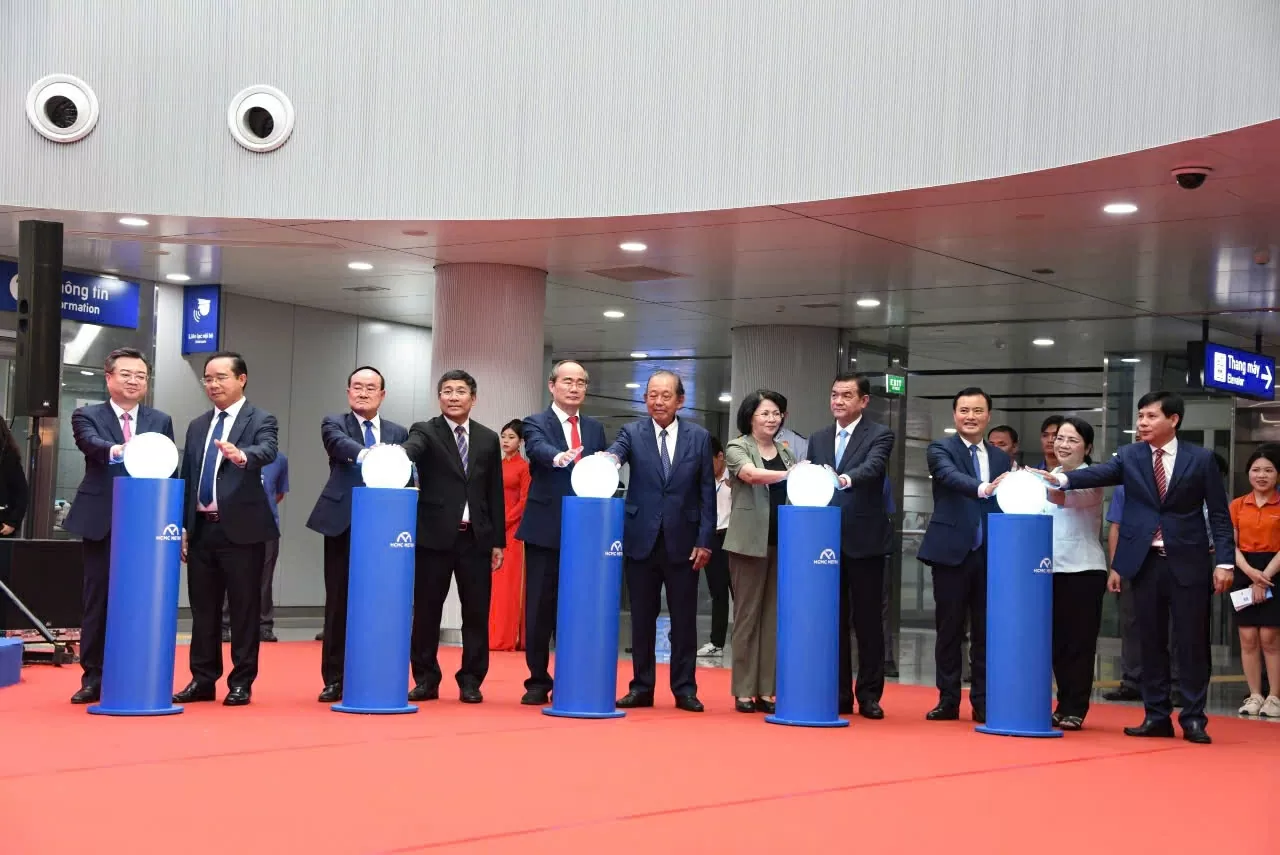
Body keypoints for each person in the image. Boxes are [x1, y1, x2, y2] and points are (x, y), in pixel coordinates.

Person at [1034, 391, 1233, 744]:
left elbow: (1218, 514)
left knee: (1191, 642)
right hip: (1143, 563)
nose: (1142, 422)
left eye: (1150, 416)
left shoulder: (1200, 460)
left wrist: (1225, 562)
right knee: (1149, 642)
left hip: (1189, 561)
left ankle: (1193, 718)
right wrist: (1063, 479)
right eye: (1140, 416)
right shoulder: (1129, 455)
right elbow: (1101, 473)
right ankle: (1156, 715)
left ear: (1173, 420)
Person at [604, 370, 716, 712]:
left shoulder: (698, 437)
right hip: (641, 540)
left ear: (680, 400)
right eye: (652, 395)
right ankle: (641, 687)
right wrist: (605, 460)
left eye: (665, 395)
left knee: (683, 621)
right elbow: (615, 454)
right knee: (641, 619)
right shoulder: (632, 433)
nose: (658, 401)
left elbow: (706, 492)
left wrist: (706, 540)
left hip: (685, 541)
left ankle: (685, 689)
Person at [174, 352, 279, 707]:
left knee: (244, 609)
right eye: (208, 378)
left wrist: (241, 455)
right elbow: (187, 479)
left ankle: (241, 681)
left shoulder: (261, 418)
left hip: (242, 531)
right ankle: (203, 679)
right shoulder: (198, 425)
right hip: (202, 529)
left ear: (241, 379)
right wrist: (183, 528)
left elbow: (266, 450)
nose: (213, 384)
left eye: (221, 377)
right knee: (202, 610)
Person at [65, 349, 165, 705]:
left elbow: (167, 470)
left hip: (145, 524)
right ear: (109, 378)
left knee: (141, 600)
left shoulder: (160, 420)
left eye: (140, 375)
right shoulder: (86, 415)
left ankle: (136, 670)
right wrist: (125, 450)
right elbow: (91, 446)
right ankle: (93, 676)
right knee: (98, 600)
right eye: (126, 374)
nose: (134, 381)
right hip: (101, 521)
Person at [305, 366, 408, 703]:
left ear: (383, 394)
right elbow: (338, 446)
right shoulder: (334, 423)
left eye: (371, 388)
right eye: (357, 387)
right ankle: (334, 678)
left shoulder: (398, 432)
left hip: (385, 528)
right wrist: (373, 457)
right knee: (338, 602)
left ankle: (376, 670)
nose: (363, 393)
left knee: (382, 601)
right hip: (342, 522)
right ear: (348, 391)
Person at [402, 370, 504, 704]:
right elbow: (412, 449)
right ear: (439, 397)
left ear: (473, 398)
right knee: (428, 611)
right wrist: (398, 456)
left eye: (461, 391)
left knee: (476, 613)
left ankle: (471, 680)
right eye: (447, 391)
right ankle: (426, 678)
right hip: (433, 537)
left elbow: (494, 493)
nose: (454, 397)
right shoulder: (425, 431)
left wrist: (497, 541)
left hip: (475, 539)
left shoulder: (488, 438)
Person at [918, 387, 1012, 723]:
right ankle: (947, 699)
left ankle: (984, 701)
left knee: (987, 630)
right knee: (949, 629)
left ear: (988, 415)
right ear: (954, 414)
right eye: (963, 411)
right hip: (951, 551)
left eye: (977, 411)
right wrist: (983, 488)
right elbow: (950, 477)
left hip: (991, 553)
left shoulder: (1002, 458)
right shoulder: (940, 448)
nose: (970, 417)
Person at [517, 360, 607, 704]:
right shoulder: (535, 422)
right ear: (552, 385)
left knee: (580, 604)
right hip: (546, 528)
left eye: (581, 382)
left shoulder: (596, 429)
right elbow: (537, 449)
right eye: (567, 381)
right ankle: (538, 680)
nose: (574, 388)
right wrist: (560, 457)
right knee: (541, 606)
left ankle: (576, 672)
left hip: (586, 531)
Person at [807, 373, 894, 719]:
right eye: (834, 395)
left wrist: (843, 478)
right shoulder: (819, 438)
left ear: (863, 401)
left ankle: (869, 694)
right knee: (834, 620)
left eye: (846, 395)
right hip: (826, 543)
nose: (838, 401)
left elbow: (872, 469)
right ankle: (840, 693)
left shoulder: (880, 434)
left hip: (866, 541)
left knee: (869, 621)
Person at [722, 390, 794, 713]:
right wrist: (791, 475)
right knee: (747, 617)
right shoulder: (738, 447)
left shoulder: (785, 452)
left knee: (772, 618)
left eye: (776, 413)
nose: (771, 419)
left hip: (783, 541)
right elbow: (750, 475)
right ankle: (743, 689)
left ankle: (767, 690)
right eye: (765, 413)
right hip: (748, 543)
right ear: (750, 416)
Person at [1043, 417, 1107, 730]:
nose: (1063, 445)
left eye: (1072, 440)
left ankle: (1075, 707)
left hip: (1083, 570)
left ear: (1087, 447)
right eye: (1059, 438)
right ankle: (1062, 702)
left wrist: (1036, 484)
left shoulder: (1091, 477)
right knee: (1055, 643)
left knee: (1078, 643)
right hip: (1047, 570)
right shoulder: (1050, 474)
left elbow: (1065, 497)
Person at [1103, 485, 1182, 705]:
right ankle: (1132, 681)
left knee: (1176, 623)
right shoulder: (1124, 488)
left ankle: (1176, 683)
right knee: (1132, 621)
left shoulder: (1179, 480)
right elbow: (1116, 528)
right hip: (1134, 561)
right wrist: (1116, 567)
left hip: (1173, 559)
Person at [1229, 446, 1280, 717]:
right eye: (1256, 470)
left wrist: (1264, 578)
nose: (1262, 475)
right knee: (1247, 637)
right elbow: (1230, 544)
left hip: (1274, 570)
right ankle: (1255, 695)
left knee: (1270, 637)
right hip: (1244, 569)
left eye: (1269, 470)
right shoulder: (1237, 505)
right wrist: (1249, 572)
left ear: (1278, 475)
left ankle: (1274, 697)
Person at [222, 451, 289, 644]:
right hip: (237, 524)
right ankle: (224, 625)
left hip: (267, 526)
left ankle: (264, 626)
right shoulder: (234, 454)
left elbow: (279, 493)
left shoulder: (280, 459)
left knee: (265, 578)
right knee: (231, 576)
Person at [491, 419, 530, 652]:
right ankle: (492, 635)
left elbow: (525, 501)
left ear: (521, 441)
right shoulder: (495, 465)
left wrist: (503, 521)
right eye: (503, 436)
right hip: (493, 529)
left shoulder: (524, 467)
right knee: (493, 586)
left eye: (511, 437)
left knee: (509, 585)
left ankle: (508, 637)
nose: (506, 441)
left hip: (513, 531)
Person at [696, 435, 733, 660]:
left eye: (709, 460)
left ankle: (745, 643)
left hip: (733, 538)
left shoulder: (736, 478)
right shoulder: (704, 481)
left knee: (741, 594)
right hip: (712, 538)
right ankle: (716, 643)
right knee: (718, 592)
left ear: (721, 457)